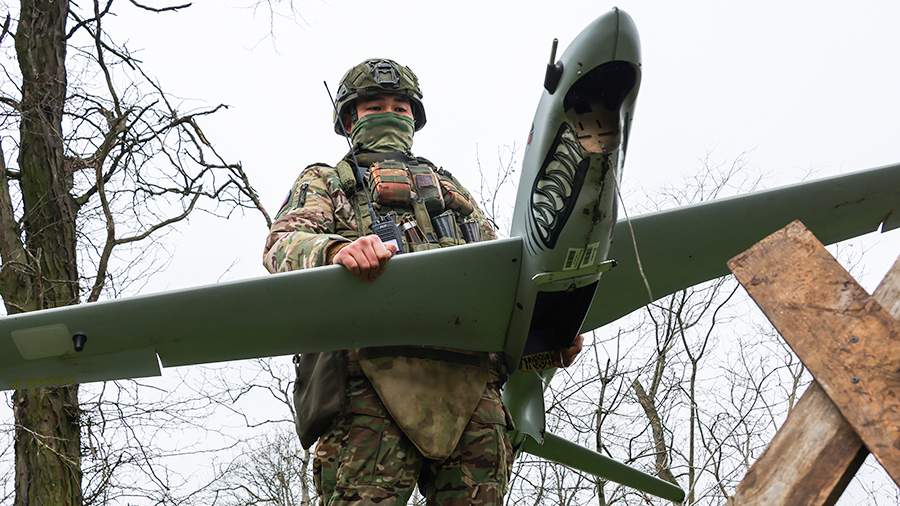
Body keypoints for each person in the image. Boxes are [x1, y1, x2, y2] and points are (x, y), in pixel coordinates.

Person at [263, 58, 583, 505]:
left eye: (400, 107)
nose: (390, 114)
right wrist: (336, 251)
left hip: (471, 386)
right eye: (375, 107)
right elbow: (283, 245)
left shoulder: (449, 190)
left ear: (415, 117)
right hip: (369, 382)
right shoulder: (327, 180)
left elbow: (505, 278)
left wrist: (545, 340)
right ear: (350, 120)